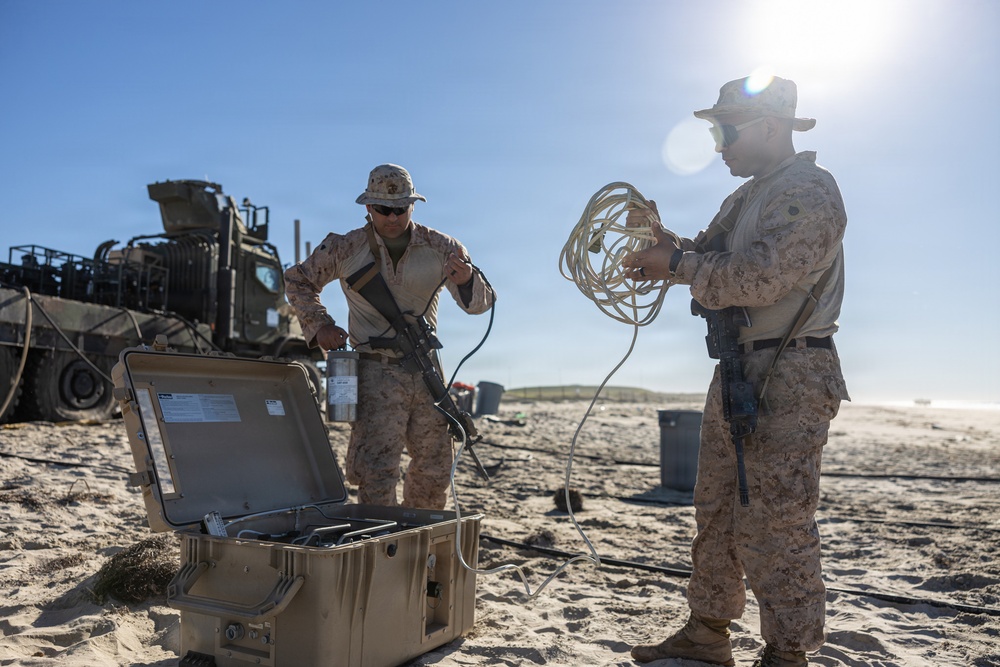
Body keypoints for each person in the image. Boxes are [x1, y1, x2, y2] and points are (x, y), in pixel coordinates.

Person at [622, 76, 850, 666]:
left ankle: (787, 652)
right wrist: (663, 243)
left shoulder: (808, 190)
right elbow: (707, 258)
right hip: (737, 370)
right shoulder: (745, 198)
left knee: (776, 516)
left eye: (726, 130)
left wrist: (675, 262)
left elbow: (758, 277)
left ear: (771, 127)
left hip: (790, 371)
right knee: (717, 507)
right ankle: (707, 632)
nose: (718, 144)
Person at [283, 164, 495, 510]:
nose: (392, 217)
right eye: (383, 209)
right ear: (368, 207)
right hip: (373, 374)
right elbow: (298, 280)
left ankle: (420, 542)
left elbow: (480, 305)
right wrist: (319, 324)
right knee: (375, 470)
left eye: (400, 209)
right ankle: (381, 548)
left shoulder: (442, 247)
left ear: (413, 206)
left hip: (426, 374)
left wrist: (468, 279)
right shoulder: (345, 247)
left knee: (434, 468)